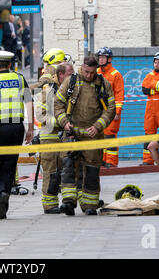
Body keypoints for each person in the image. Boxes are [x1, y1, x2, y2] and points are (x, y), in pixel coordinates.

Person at [54, 56, 116, 215]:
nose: (89, 75)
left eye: (92, 72)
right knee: (68, 167)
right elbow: (58, 103)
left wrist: (98, 126)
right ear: (82, 67)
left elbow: (110, 109)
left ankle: (90, 205)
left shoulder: (103, 84)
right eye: (86, 72)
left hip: (92, 136)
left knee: (92, 171)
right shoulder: (71, 82)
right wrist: (64, 122)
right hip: (72, 133)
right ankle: (68, 202)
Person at [0, 50, 34, 219]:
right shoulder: (19, 79)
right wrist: (30, 128)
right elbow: (29, 103)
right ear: (10, 64)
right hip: (17, 128)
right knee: (9, 167)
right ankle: (2, 205)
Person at [34, 62, 74, 214]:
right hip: (49, 137)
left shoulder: (72, 91)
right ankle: (50, 204)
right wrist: (60, 122)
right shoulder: (47, 92)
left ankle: (68, 202)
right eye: (69, 75)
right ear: (60, 75)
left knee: (67, 169)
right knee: (50, 172)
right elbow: (40, 115)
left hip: (65, 136)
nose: (72, 77)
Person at [96, 47, 124, 168]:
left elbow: (119, 94)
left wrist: (117, 111)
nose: (101, 60)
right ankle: (102, 160)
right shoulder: (96, 72)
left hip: (111, 110)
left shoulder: (115, 74)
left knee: (110, 134)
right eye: (100, 57)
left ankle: (111, 162)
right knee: (100, 134)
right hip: (98, 110)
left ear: (109, 59)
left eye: (103, 57)